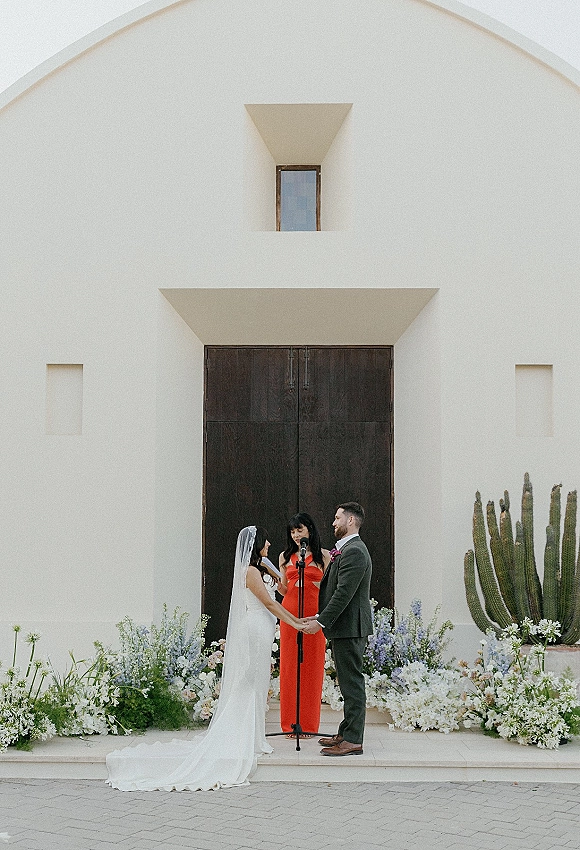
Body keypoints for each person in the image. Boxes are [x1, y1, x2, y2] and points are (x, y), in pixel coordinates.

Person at [106, 526, 306, 791]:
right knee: (250, 683)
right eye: (265, 541)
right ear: (256, 545)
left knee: (259, 683)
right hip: (256, 629)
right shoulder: (250, 572)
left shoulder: (261, 569)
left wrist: (272, 568)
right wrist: (295, 622)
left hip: (265, 628)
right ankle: (245, 738)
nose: (269, 543)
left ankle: (256, 738)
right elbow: (269, 604)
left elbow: (282, 589)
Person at [302, 502, 372, 756]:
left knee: (352, 683)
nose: (333, 523)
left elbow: (344, 593)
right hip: (344, 627)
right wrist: (320, 615)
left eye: (337, 518)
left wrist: (320, 623)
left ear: (350, 521)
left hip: (350, 628)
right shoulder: (347, 549)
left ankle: (353, 740)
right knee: (346, 682)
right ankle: (346, 731)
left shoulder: (354, 551)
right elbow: (338, 592)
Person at [277, 512, 330, 738]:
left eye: (300, 530)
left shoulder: (324, 556)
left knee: (311, 667)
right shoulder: (284, 556)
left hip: (313, 614)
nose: (296, 535)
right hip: (289, 614)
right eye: (293, 531)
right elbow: (284, 588)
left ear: (309, 529)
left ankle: (308, 724)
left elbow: (329, 589)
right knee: (289, 668)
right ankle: (290, 723)